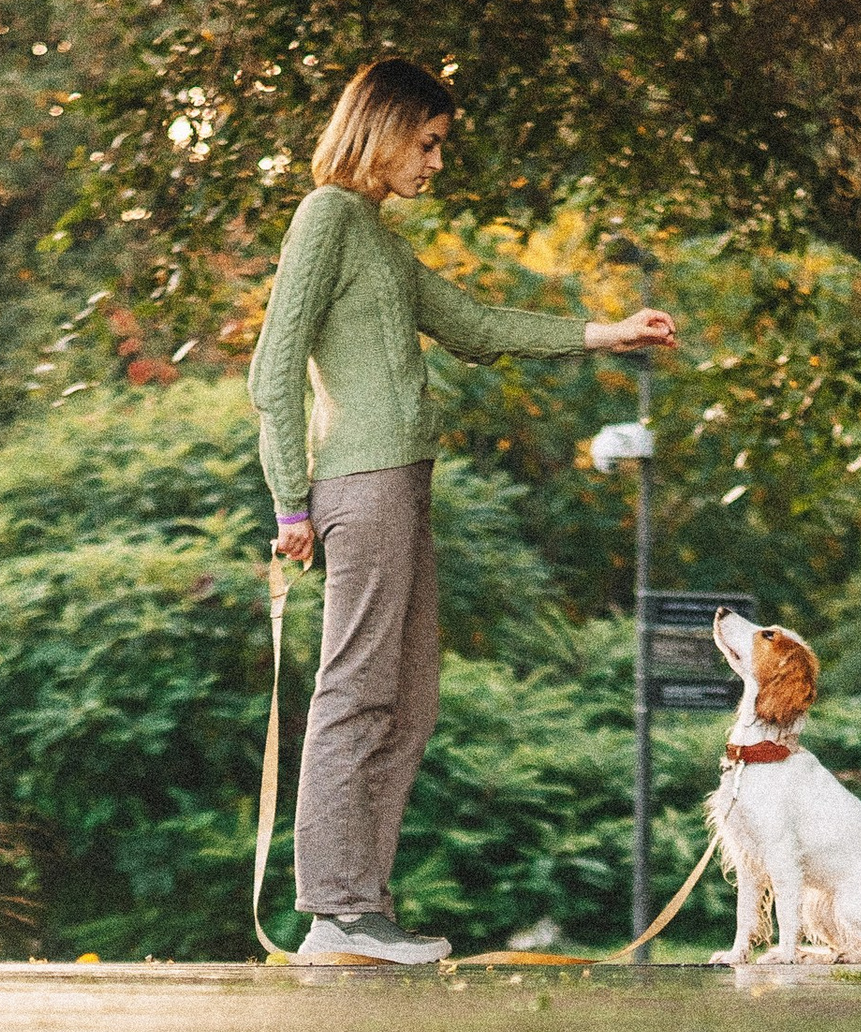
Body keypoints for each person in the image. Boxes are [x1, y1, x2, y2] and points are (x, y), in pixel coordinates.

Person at [248, 56, 676, 967]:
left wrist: (607, 331)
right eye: (429, 141)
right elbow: (271, 365)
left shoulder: (372, 235)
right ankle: (333, 912)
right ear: (384, 126)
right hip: (359, 486)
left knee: (409, 699)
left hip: (401, 483)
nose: (437, 162)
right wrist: (289, 499)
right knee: (356, 691)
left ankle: (363, 907)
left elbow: (474, 325)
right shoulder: (326, 216)